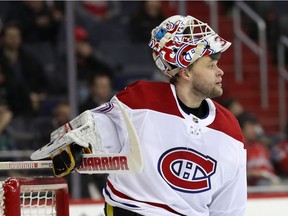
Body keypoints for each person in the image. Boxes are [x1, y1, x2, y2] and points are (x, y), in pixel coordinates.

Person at [32, 15, 247, 215]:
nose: (220, 72)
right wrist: (81, 144)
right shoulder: (142, 101)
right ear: (185, 71)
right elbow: (102, 127)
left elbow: (229, 208)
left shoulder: (230, 130)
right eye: (211, 65)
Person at [237, 112, 280, 186]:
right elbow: (234, 175)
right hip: (249, 188)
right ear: (241, 128)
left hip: (270, 184)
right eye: (251, 126)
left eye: (255, 125)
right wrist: (255, 173)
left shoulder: (261, 147)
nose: (255, 130)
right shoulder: (237, 149)